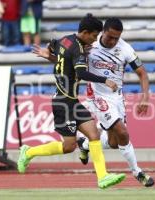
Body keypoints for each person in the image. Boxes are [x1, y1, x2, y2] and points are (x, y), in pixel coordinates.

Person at [17, 14, 126, 189]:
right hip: (62, 102)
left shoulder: (65, 40)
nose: (94, 40)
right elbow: (82, 73)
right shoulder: (78, 50)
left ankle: (103, 176)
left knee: (93, 134)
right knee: (69, 147)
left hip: (72, 100)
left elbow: (54, 47)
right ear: (84, 32)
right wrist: (105, 80)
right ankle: (28, 152)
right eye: (93, 35)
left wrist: (49, 54)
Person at [76, 17, 155, 187]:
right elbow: (69, 56)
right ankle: (137, 172)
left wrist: (145, 97)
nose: (113, 41)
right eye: (110, 37)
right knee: (123, 132)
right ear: (102, 32)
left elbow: (142, 73)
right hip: (96, 95)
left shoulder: (125, 49)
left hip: (116, 96)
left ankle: (85, 144)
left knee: (114, 142)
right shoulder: (90, 42)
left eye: (116, 38)